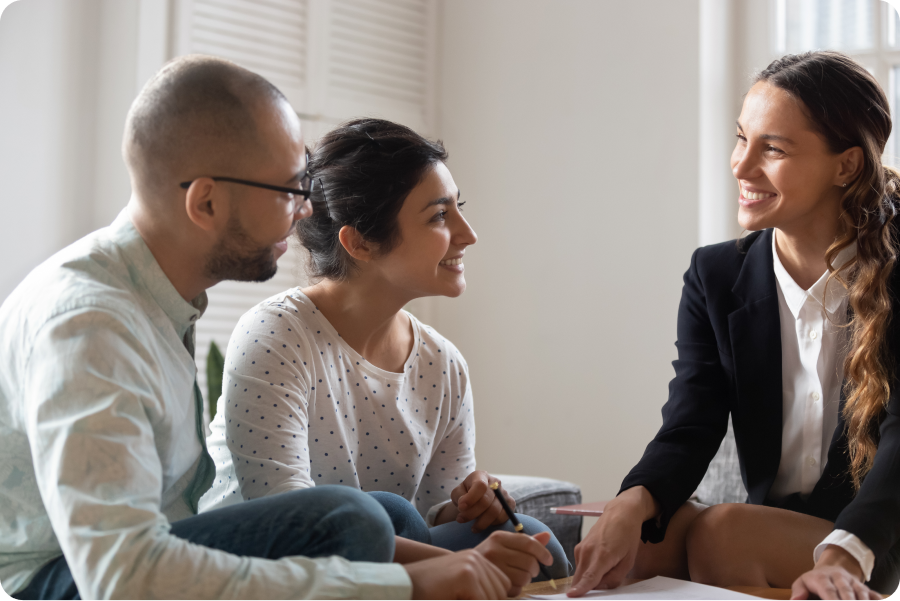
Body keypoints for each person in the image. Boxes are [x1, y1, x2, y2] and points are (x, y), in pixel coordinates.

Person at [0, 56, 542, 601]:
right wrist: (399, 582)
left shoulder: (156, 304)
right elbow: (120, 578)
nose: (306, 212)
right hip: (52, 583)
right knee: (354, 517)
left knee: (400, 521)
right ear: (206, 201)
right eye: (288, 190)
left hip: (137, 558)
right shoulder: (91, 324)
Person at [567, 51, 900, 601]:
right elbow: (691, 419)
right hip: (777, 526)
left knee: (725, 533)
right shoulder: (715, 274)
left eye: (773, 148)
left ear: (846, 166)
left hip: (875, 535)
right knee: (640, 542)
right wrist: (633, 501)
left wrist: (842, 556)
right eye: (742, 139)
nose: (742, 167)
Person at [199, 118, 569, 593]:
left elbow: (436, 512)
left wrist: (473, 504)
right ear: (360, 243)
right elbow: (294, 521)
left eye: (459, 208)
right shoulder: (277, 334)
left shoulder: (442, 363)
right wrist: (459, 567)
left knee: (534, 542)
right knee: (386, 513)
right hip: (263, 572)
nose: (467, 233)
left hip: (369, 556)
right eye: (439, 216)